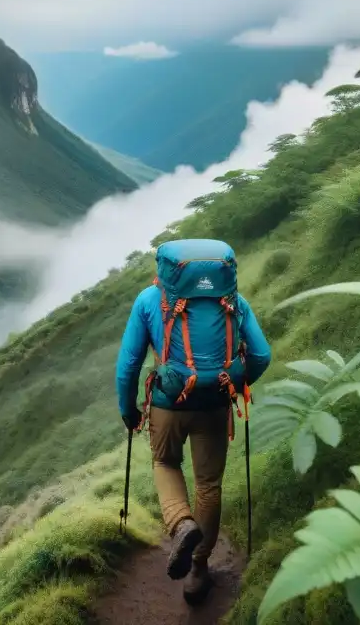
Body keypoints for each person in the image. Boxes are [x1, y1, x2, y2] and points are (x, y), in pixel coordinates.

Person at [115, 239, 272, 605]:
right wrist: (234, 383)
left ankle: (180, 524)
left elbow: (128, 366)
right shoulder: (233, 302)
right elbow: (262, 355)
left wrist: (129, 410)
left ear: (165, 270)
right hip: (215, 405)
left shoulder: (149, 301)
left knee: (165, 462)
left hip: (168, 405)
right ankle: (199, 569)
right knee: (208, 485)